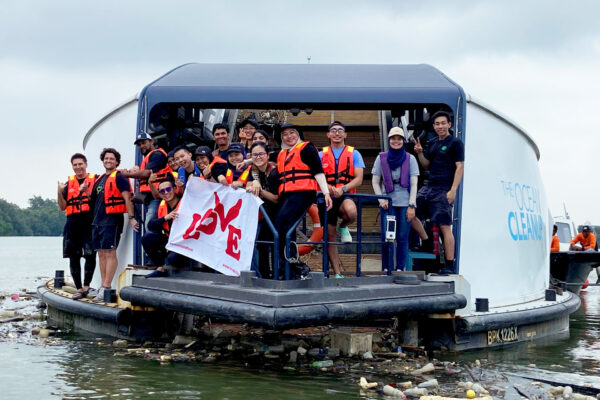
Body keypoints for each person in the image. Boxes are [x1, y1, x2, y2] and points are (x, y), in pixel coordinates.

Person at [275, 123, 332, 279]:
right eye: (285, 134)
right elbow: (261, 157)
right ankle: (288, 267)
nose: (289, 136)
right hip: (287, 194)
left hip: (303, 193)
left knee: (282, 224)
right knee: (284, 228)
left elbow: (317, 170)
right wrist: (246, 162)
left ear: (298, 134)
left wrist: (326, 192)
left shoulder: (306, 148)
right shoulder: (282, 153)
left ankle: (293, 266)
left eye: (292, 133)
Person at [413, 110, 464, 274]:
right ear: (434, 126)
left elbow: (460, 167)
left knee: (445, 227)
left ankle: (449, 264)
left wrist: (453, 190)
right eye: (437, 124)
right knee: (411, 212)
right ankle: (426, 241)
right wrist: (420, 152)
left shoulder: (455, 143)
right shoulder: (432, 142)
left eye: (443, 123)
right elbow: (426, 165)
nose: (440, 126)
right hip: (428, 187)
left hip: (444, 188)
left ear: (449, 124)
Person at [90, 148, 139, 302]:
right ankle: (102, 285)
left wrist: (131, 217)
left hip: (112, 220)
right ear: (103, 160)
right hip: (97, 221)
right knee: (101, 253)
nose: (108, 161)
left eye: (112, 159)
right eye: (106, 158)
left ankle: (106, 286)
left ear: (117, 162)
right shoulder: (99, 179)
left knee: (110, 252)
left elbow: (127, 198)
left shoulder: (119, 177)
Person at [318, 121, 365, 278]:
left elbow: (359, 179)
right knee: (330, 236)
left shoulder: (354, 154)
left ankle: (343, 226)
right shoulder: (321, 154)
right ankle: (337, 273)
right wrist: (328, 188)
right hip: (326, 197)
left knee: (351, 212)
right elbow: (315, 176)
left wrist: (342, 188)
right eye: (333, 130)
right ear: (328, 134)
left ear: (345, 134)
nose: (337, 133)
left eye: (340, 130)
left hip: (345, 193)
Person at [372, 127, 419, 271]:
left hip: (405, 202)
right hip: (387, 202)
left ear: (403, 141)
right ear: (389, 140)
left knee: (403, 236)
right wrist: (381, 200)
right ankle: (386, 267)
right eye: (393, 138)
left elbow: (414, 183)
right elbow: (375, 181)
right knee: (386, 236)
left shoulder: (410, 158)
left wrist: (412, 205)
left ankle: (400, 267)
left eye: (399, 138)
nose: (396, 141)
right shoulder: (381, 158)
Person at [57, 153, 97, 300]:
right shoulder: (68, 184)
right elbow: (62, 206)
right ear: (72, 166)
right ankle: (79, 288)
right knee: (73, 257)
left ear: (85, 164)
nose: (78, 167)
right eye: (75, 165)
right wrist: (59, 191)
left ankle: (87, 286)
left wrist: (86, 191)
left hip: (89, 222)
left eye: (80, 164)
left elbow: (98, 201)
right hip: (72, 223)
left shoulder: (95, 180)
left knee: (90, 255)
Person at [121, 133, 170, 233]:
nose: (141, 146)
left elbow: (147, 173)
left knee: (150, 227)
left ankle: (156, 248)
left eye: (144, 143)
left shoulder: (157, 155)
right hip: (149, 198)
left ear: (151, 141)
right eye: (139, 145)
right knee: (152, 227)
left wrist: (128, 174)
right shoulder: (148, 158)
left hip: (156, 197)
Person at [142, 178, 190, 278]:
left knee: (173, 258)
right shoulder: (162, 205)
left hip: (184, 243)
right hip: (169, 241)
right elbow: (151, 224)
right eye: (162, 191)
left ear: (174, 188)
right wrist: (165, 218)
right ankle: (161, 267)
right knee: (146, 238)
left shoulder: (185, 203)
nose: (166, 193)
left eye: (168, 189)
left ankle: (171, 265)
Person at [245, 142, 279, 278]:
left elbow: (277, 198)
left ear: (267, 155)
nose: (258, 157)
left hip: (277, 214)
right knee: (261, 245)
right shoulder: (253, 171)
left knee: (276, 246)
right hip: (262, 216)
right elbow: (247, 184)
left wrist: (260, 189)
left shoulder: (275, 172)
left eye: (261, 154)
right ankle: (264, 276)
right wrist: (254, 182)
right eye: (255, 155)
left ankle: (278, 276)